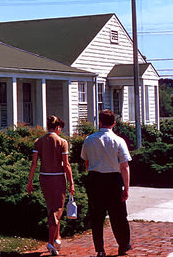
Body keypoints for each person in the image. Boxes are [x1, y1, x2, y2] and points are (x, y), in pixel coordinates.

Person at [81, 109, 132, 257]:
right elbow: (124, 166)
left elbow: (86, 161)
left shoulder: (89, 140)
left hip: (95, 179)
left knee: (97, 216)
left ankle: (100, 249)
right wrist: (126, 187)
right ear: (114, 123)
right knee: (119, 215)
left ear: (100, 122)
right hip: (113, 180)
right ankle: (123, 245)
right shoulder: (119, 141)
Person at [27, 115, 75, 256]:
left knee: (51, 207)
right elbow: (66, 165)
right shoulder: (62, 142)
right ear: (58, 127)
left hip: (44, 178)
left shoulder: (38, 142)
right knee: (57, 209)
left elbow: (34, 163)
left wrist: (30, 181)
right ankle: (50, 242)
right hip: (58, 178)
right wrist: (72, 182)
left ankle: (57, 238)